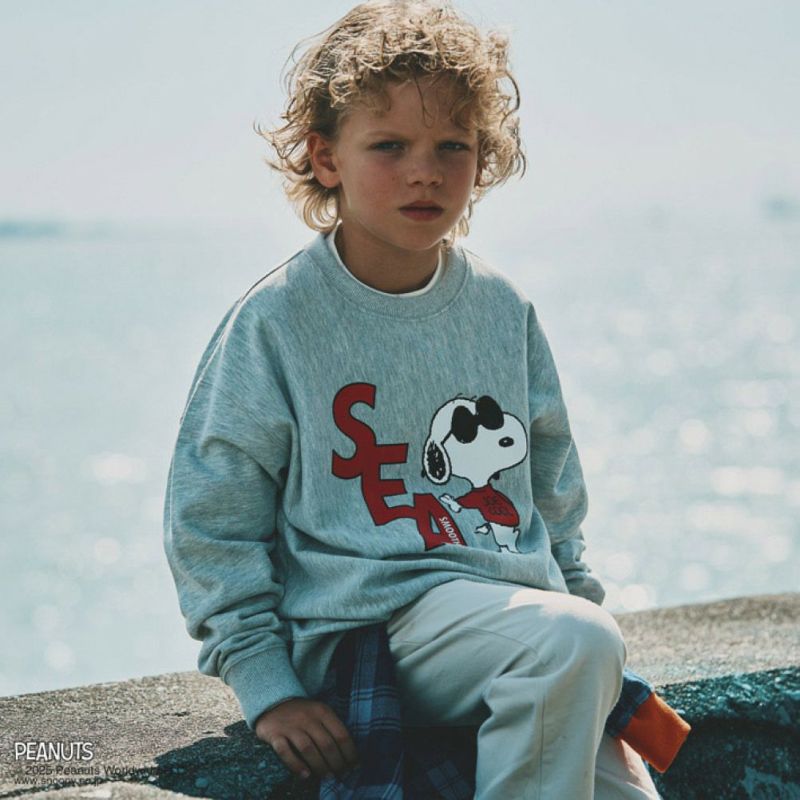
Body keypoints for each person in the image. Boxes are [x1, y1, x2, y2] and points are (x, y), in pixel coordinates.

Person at [163, 1, 663, 797]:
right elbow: (211, 517)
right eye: (389, 145)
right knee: (573, 642)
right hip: (369, 630)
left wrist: (593, 660)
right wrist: (266, 684)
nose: (424, 171)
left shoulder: (503, 309)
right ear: (326, 158)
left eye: (452, 146)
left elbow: (553, 492)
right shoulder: (277, 321)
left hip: (519, 627)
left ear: (483, 159)